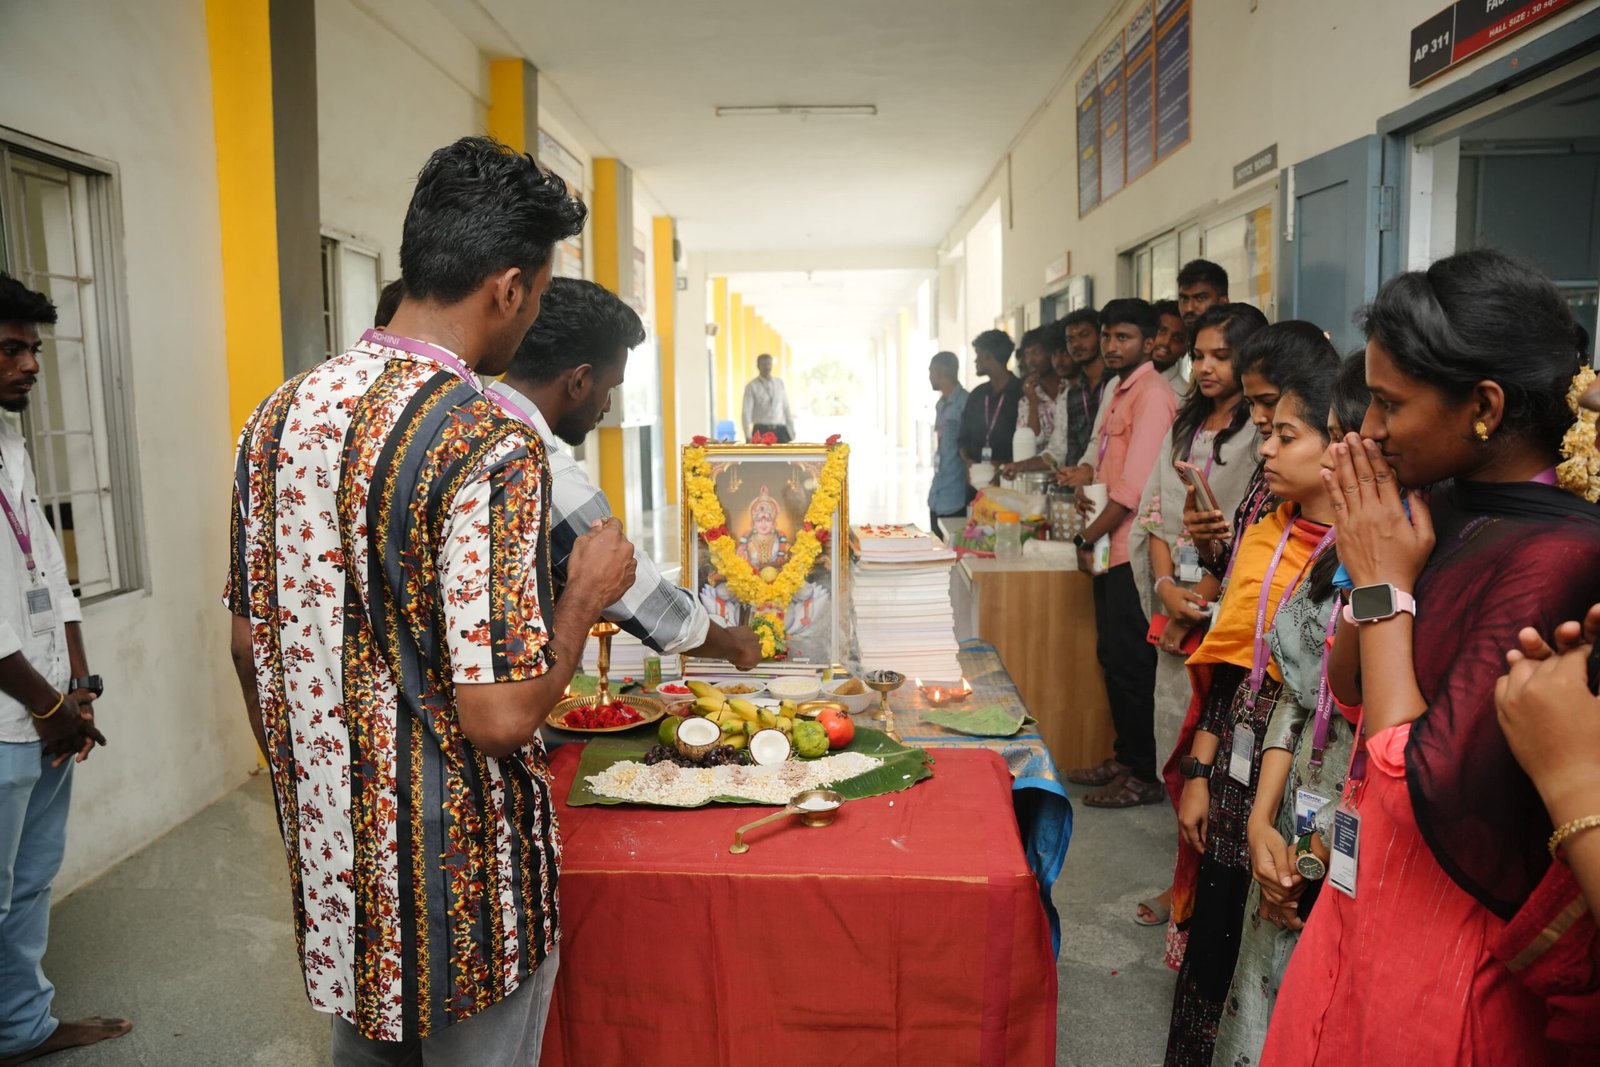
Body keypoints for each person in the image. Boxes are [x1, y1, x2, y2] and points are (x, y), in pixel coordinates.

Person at [227, 137, 638, 1064]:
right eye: (534, 294)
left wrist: (319, 791)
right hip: (465, 890)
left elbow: (252, 644)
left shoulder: (278, 415)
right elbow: (498, 717)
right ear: (507, 287)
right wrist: (582, 597)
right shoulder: (488, 437)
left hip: (339, 874)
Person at [1262, 249, 1600, 1066]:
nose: (1369, 430)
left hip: (1444, 956)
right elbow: (1345, 686)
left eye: (1388, 404)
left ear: (1483, 406)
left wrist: (1381, 589)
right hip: (1353, 903)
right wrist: (1368, 566)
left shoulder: (1555, 553)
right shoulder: (1436, 504)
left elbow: (1422, 784)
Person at [1164, 343, 1343, 1066]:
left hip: (1305, 787)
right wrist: (1201, 768)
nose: (1263, 443)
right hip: (1244, 767)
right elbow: (1238, 661)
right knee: (1219, 945)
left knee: (1274, 959)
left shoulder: (1355, 556)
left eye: (1280, 429)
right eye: (1262, 424)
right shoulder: (1265, 517)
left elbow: (1306, 695)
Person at [1210, 353, 1371, 1066]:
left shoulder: (1415, 563)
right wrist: (1259, 819)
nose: (1332, 454)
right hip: (1293, 811)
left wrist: (1315, 855)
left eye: (1343, 436)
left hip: (1358, 826)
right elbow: (1297, 699)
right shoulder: (1331, 552)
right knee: (1263, 996)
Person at [489, 276, 762, 669]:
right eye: (611, 387)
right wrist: (734, 644)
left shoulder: (474, 421)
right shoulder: (544, 468)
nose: (606, 404)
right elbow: (644, 602)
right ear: (581, 380)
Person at [0, 274, 126, 1065]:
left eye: (34, 350)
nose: (31, 365)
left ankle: (22, 1027)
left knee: (32, 879)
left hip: (45, 711)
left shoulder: (11, 447)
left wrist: (79, 688)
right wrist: (51, 708)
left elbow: (48, 566)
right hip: (13, 720)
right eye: (12, 349)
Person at [1126, 303, 1267, 925]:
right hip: (1175, 606)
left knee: (1209, 759)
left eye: (1220, 356)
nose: (1205, 368)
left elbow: (1246, 531)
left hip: (1223, 614)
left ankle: (1196, 893)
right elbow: (1157, 509)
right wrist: (1163, 586)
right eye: (1199, 356)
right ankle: (1183, 881)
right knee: (1176, 754)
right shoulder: (1186, 425)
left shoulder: (1261, 432)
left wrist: (1202, 598)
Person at [1062, 298, 1177, 808]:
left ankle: (1145, 773)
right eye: (1107, 336)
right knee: (1112, 655)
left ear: (1149, 342)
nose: (1111, 346)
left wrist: (1088, 537)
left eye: (1123, 337)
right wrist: (1081, 482)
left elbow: (1134, 490)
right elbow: (1102, 463)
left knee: (1133, 663)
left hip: (1131, 549)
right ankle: (1125, 755)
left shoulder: (1154, 395)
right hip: (1109, 542)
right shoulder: (1115, 388)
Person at [1001, 310, 1104, 479]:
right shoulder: (1071, 394)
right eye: (1071, 340)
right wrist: (1021, 465)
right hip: (1079, 489)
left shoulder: (1114, 384)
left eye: (1084, 335)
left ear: (1101, 337)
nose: (1077, 344)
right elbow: (1058, 451)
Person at [956, 329, 1022, 478]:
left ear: (988, 356)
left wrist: (1003, 464)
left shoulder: (1020, 393)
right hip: (976, 480)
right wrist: (969, 462)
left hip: (1009, 479)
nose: (975, 361)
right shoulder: (977, 395)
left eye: (978, 355)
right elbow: (962, 439)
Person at [927, 350, 969, 535]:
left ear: (940, 373)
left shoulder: (965, 402)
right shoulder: (941, 404)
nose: (929, 377)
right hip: (938, 491)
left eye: (930, 372)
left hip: (956, 494)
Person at [1016, 324, 1063, 457]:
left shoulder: (1069, 389)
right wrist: (1033, 402)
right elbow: (1030, 441)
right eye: (1027, 354)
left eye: (1037, 353)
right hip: (1040, 472)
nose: (1030, 360)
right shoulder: (1027, 400)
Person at [742, 352, 795, 443]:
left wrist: (791, 429)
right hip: (761, 430)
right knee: (761, 457)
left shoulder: (779, 383)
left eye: (769, 364)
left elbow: (786, 408)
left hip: (780, 430)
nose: (766, 367)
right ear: (758, 366)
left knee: (784, 457)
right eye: (763, 364)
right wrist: (747, 435)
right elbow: (746, 412)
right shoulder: (751, 386)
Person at [1152, 298, 1190, 396]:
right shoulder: (1116, 383)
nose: (1166, 342)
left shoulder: (1185, 397)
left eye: (1177, 338)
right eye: (1161, 330)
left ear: (1185, 349)